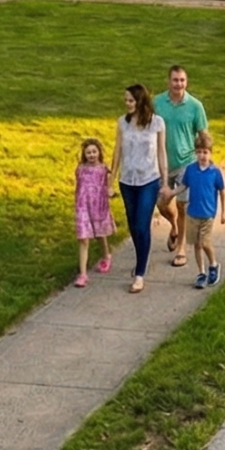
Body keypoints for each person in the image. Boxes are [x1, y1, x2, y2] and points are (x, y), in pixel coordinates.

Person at [152, 64, 209, 269]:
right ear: (169, 81)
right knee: (162, 203)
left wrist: (207, 160)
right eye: (175, 80)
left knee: (183, 206)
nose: (179, 84)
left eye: (182, 80)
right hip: (162, 163)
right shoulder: (157, 103)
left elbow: (203, 134)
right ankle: (174, 226)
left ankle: (181, 248)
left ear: (187, 82)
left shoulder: (195, 106)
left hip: (187, 162)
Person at [114, 84, 167, 293]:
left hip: (149, 179)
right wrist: (111, 179)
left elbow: (161, 153)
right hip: (127, 180)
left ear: (140, 101)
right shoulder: (122, 123)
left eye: (130, 100)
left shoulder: (156, 123)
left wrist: (165, 181)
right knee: (133, 225)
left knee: (142, 224)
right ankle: (140, 258)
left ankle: (140, 273)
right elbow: (117, 151)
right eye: (126, 100)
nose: (127, 104)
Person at [181, 130, 225, 289]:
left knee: (205, 242)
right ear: (195, 152)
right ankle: (201, 273)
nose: (202, 155)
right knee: (196, 244)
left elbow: (221, 191)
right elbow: (183, 185)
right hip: (193, 213)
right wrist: (170, 193)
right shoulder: (190, 170)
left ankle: (213, 264)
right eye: (199, 152)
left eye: (205, 152)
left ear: (210, 153)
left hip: (208, 213)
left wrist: (223, 213)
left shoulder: (215, 172)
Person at [72, 137, 115, 287]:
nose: (91, 155)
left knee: (100, 234)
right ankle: (83, 274)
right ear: (84, 154)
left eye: (94, 152)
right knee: (83, 239)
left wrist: (110, 191)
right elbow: (79, 188)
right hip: (83, 207)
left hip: (98, 207)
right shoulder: (80, 169)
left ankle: (106, 256)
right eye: (88, 152)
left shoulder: (104, 169)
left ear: (99, 152)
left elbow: (109, 186)